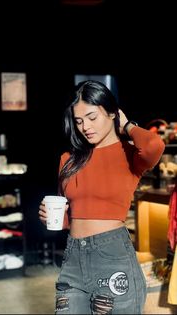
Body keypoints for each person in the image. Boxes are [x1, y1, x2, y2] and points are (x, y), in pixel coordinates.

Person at [38, 80, 165, 314]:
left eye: (92, 117)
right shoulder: (69, 159)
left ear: (111, 113)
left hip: (113, 258)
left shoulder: (130, 155)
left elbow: (154, 145)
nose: (85, 126)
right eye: (79, 121)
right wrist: (51, 218)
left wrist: (126, 125)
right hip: (73, 260)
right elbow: (70, 217)